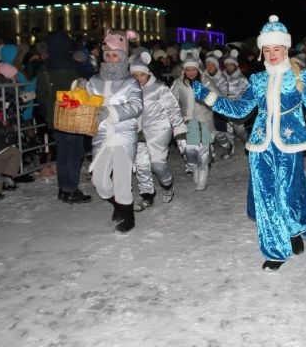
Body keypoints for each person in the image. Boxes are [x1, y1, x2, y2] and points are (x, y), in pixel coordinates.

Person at [193, 15, 306, 271]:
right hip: (259, 146)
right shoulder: (257, 80)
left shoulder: (300, 76)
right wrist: (211, 98)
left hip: (290, 145)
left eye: (276, 49)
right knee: (266, 198)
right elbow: (239, 110)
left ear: (286, 48)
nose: (271, 54)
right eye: (266, 50)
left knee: (287, 195)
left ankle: (292, 231)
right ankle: (274, 251)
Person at [86, 28, 143, 233]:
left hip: (123, 134)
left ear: (122, 57)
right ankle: (118, 205)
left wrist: (110, 112)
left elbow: (136, 106)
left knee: (122, 178)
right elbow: (86, 103)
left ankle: (128, 216)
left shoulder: (130, 82)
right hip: (101, 135)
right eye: (107, 55)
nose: (110, 59)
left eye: (115, 55)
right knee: (99, 180)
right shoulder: (94, 81)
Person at [35, 31, 92, 204]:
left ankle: (63, 188)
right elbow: (86, 86)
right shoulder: (73, 66)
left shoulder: (43, 68)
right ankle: (71, 189)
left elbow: (41, 95)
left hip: (55, 116)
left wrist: (48, 113)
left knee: (62, 152)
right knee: (75, 152)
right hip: (73, 113)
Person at [129, 52, 187, 208]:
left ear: (147, 73)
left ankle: (168, 185)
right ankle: (147, 195)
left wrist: (179, 131)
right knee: (141, 165)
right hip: (137, 132)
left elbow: (173, 109)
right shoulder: (128, 90)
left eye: (142, 74)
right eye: (135, 75)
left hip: (158, 131)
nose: (138, 78)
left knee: (158, 166)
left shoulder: (159, 88)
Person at [170, 49, 218, 191]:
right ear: (184, 70)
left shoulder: (206, 81)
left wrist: (208, 99)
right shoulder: (178, 83)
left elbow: (217, 98)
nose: (191, 73)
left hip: (204, 121)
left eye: (193, 70)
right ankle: (196, 168)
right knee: (189, 152)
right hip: (187, 123)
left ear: (198, 69)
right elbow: (170, 101)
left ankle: (202, 178)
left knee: (203, 151)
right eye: (188, 70)